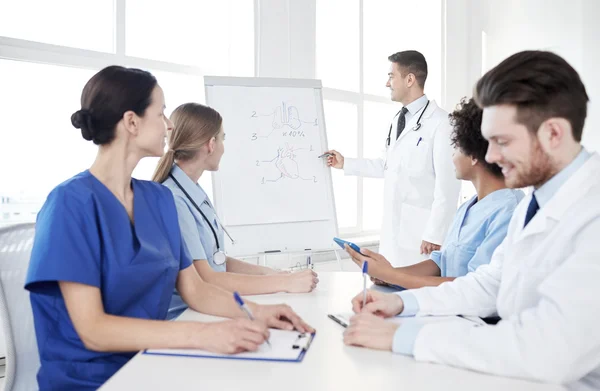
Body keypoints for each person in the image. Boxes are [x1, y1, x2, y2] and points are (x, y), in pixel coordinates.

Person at [25, 66, 313, 391]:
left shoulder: (159, 199)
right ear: (132, 122)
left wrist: (257, 313)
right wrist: (204, 335)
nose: (170, 124)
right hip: (91, 380)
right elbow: (92, 328)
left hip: (154, 361)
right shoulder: (69, 204)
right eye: (161, 113)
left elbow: (197, 291)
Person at [343, 51, 600, 390]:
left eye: (501, 142)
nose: (489, 157)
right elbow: (491, 282)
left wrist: (406, 337)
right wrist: (402, 302)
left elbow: (550, 350)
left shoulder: (590, 212)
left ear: (553, 133)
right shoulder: (535, 203)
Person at [152, 103, 319, 318]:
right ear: (211, 144)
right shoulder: (175, 199)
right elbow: (207, 278)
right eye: (222, 138)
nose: (223, 147)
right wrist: (283, 282)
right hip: (186, 316)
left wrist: (274, 273)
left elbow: (218, 261)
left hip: (207, 308)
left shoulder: (191, 189)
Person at [344, 98, 523, 289]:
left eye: (456, 148)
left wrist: (393, 276)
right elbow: (440, 263)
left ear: (473, 156)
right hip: (443, 308)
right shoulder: (468, 208)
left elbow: (477, 287)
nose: (452, 156)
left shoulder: (510, 212)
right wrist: (389, 274)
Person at [326, 50, 460, 267]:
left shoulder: (442, 123)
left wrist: (435, 234)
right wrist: (346, 163)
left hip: (422, 238)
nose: (387, 83)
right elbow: (387, 166)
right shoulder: (398, 120)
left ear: (409, 79)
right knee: (390, 290)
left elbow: (448, 186)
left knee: (416, 293)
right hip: (394, 233)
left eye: (391, 76)